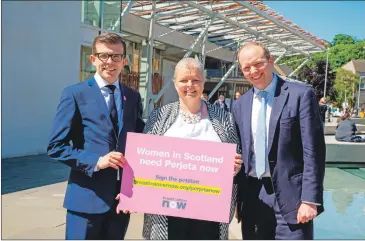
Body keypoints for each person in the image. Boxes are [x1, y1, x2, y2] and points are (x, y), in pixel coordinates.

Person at [47, 33, 145, 239]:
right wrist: (97, 161)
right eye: (103, 56)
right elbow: (56, 146)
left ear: (124, 61)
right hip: (85, 200)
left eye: (116, 57)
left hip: (120, 200)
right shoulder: (74, 94)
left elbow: (140, 141)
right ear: (93, 59)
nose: (110, 62)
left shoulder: (133, 97)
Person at [233, 42, 326, 240]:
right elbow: (239, 150)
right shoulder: (240, 105)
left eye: (258, 63)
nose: (253, 71)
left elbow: (314, 151)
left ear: (271, 61)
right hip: (253, 198)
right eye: (246, 68)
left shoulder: (300, 95)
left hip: (293, 199)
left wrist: (310, 200)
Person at [141, 57, 242, 240]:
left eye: (196, 80)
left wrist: (235, 166)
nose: (190, 85)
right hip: (167, 211)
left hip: (210, 210)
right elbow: (144, 162)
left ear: (203, 82)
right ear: (174, 83)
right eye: (183, 80)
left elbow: (236, 156)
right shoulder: (159, 116)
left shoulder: (224, 118)